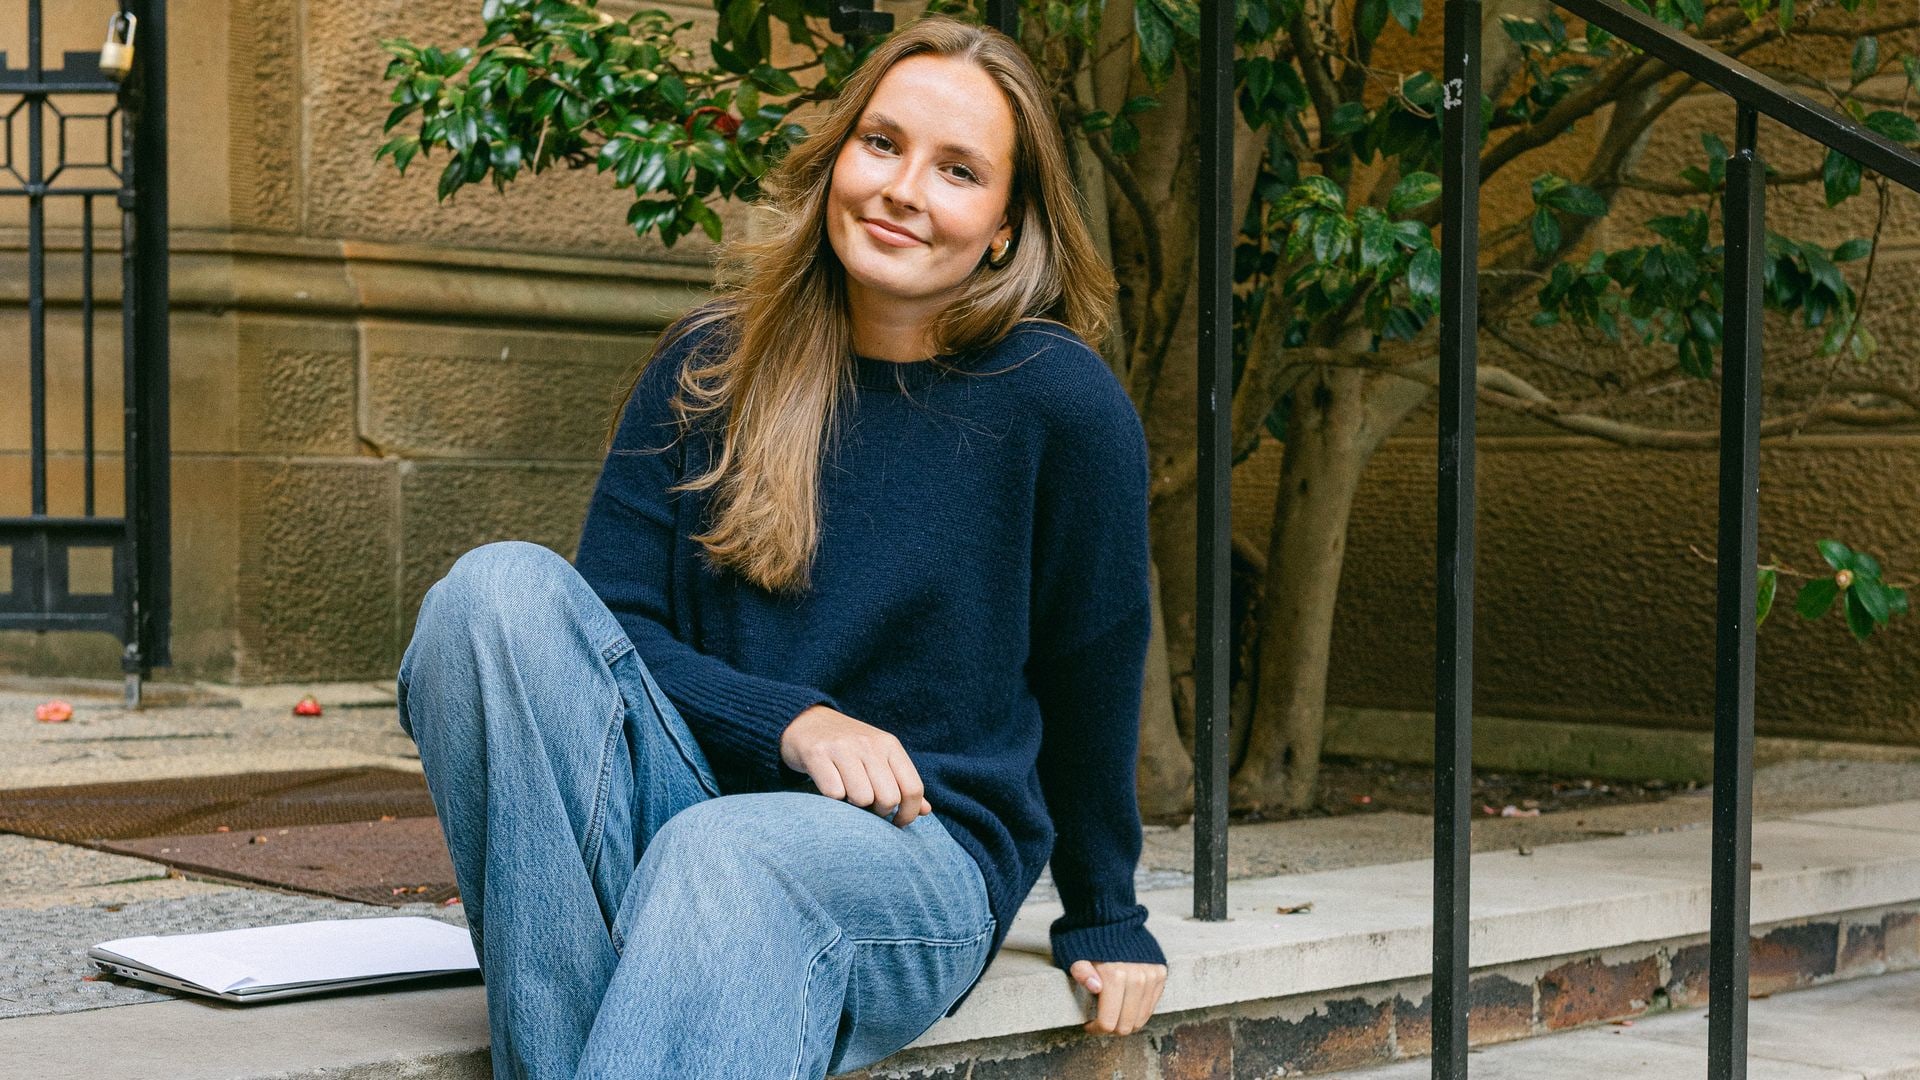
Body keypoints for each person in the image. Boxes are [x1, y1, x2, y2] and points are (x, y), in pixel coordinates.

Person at [396, 13, 1168, 1079]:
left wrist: (1107, 912)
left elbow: (1093, 669)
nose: (903, 189)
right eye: (883, 144)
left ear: (1004, 225)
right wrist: (792, 725)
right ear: (839, 156)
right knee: (491, 598)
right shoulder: (712, 365)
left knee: (729, 853)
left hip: (915, 852)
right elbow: (612, 634)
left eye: (957, 170)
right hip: (688, 805)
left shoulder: (1058, 404)